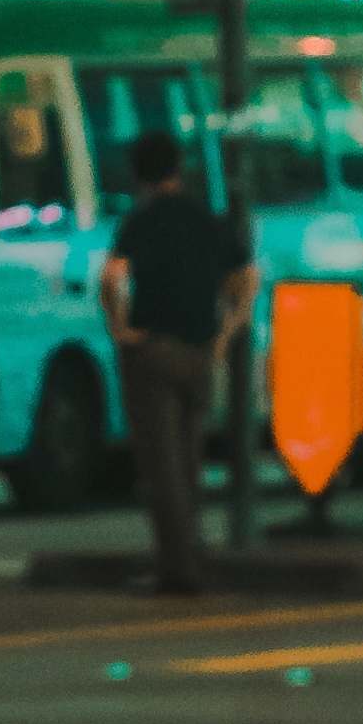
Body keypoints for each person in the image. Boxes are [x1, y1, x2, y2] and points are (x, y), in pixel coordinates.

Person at [99, 125, 250, 593]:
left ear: (138, 174)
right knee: (189, 460)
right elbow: (246, 276)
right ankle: (193, 553)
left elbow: (111, 278)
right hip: (201, 352)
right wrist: (227, 332)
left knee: (162, 466)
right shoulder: (207, 218)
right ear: (178, 169)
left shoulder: (140, 221)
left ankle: (177, 569)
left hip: (155, 352)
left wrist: (120, 327)